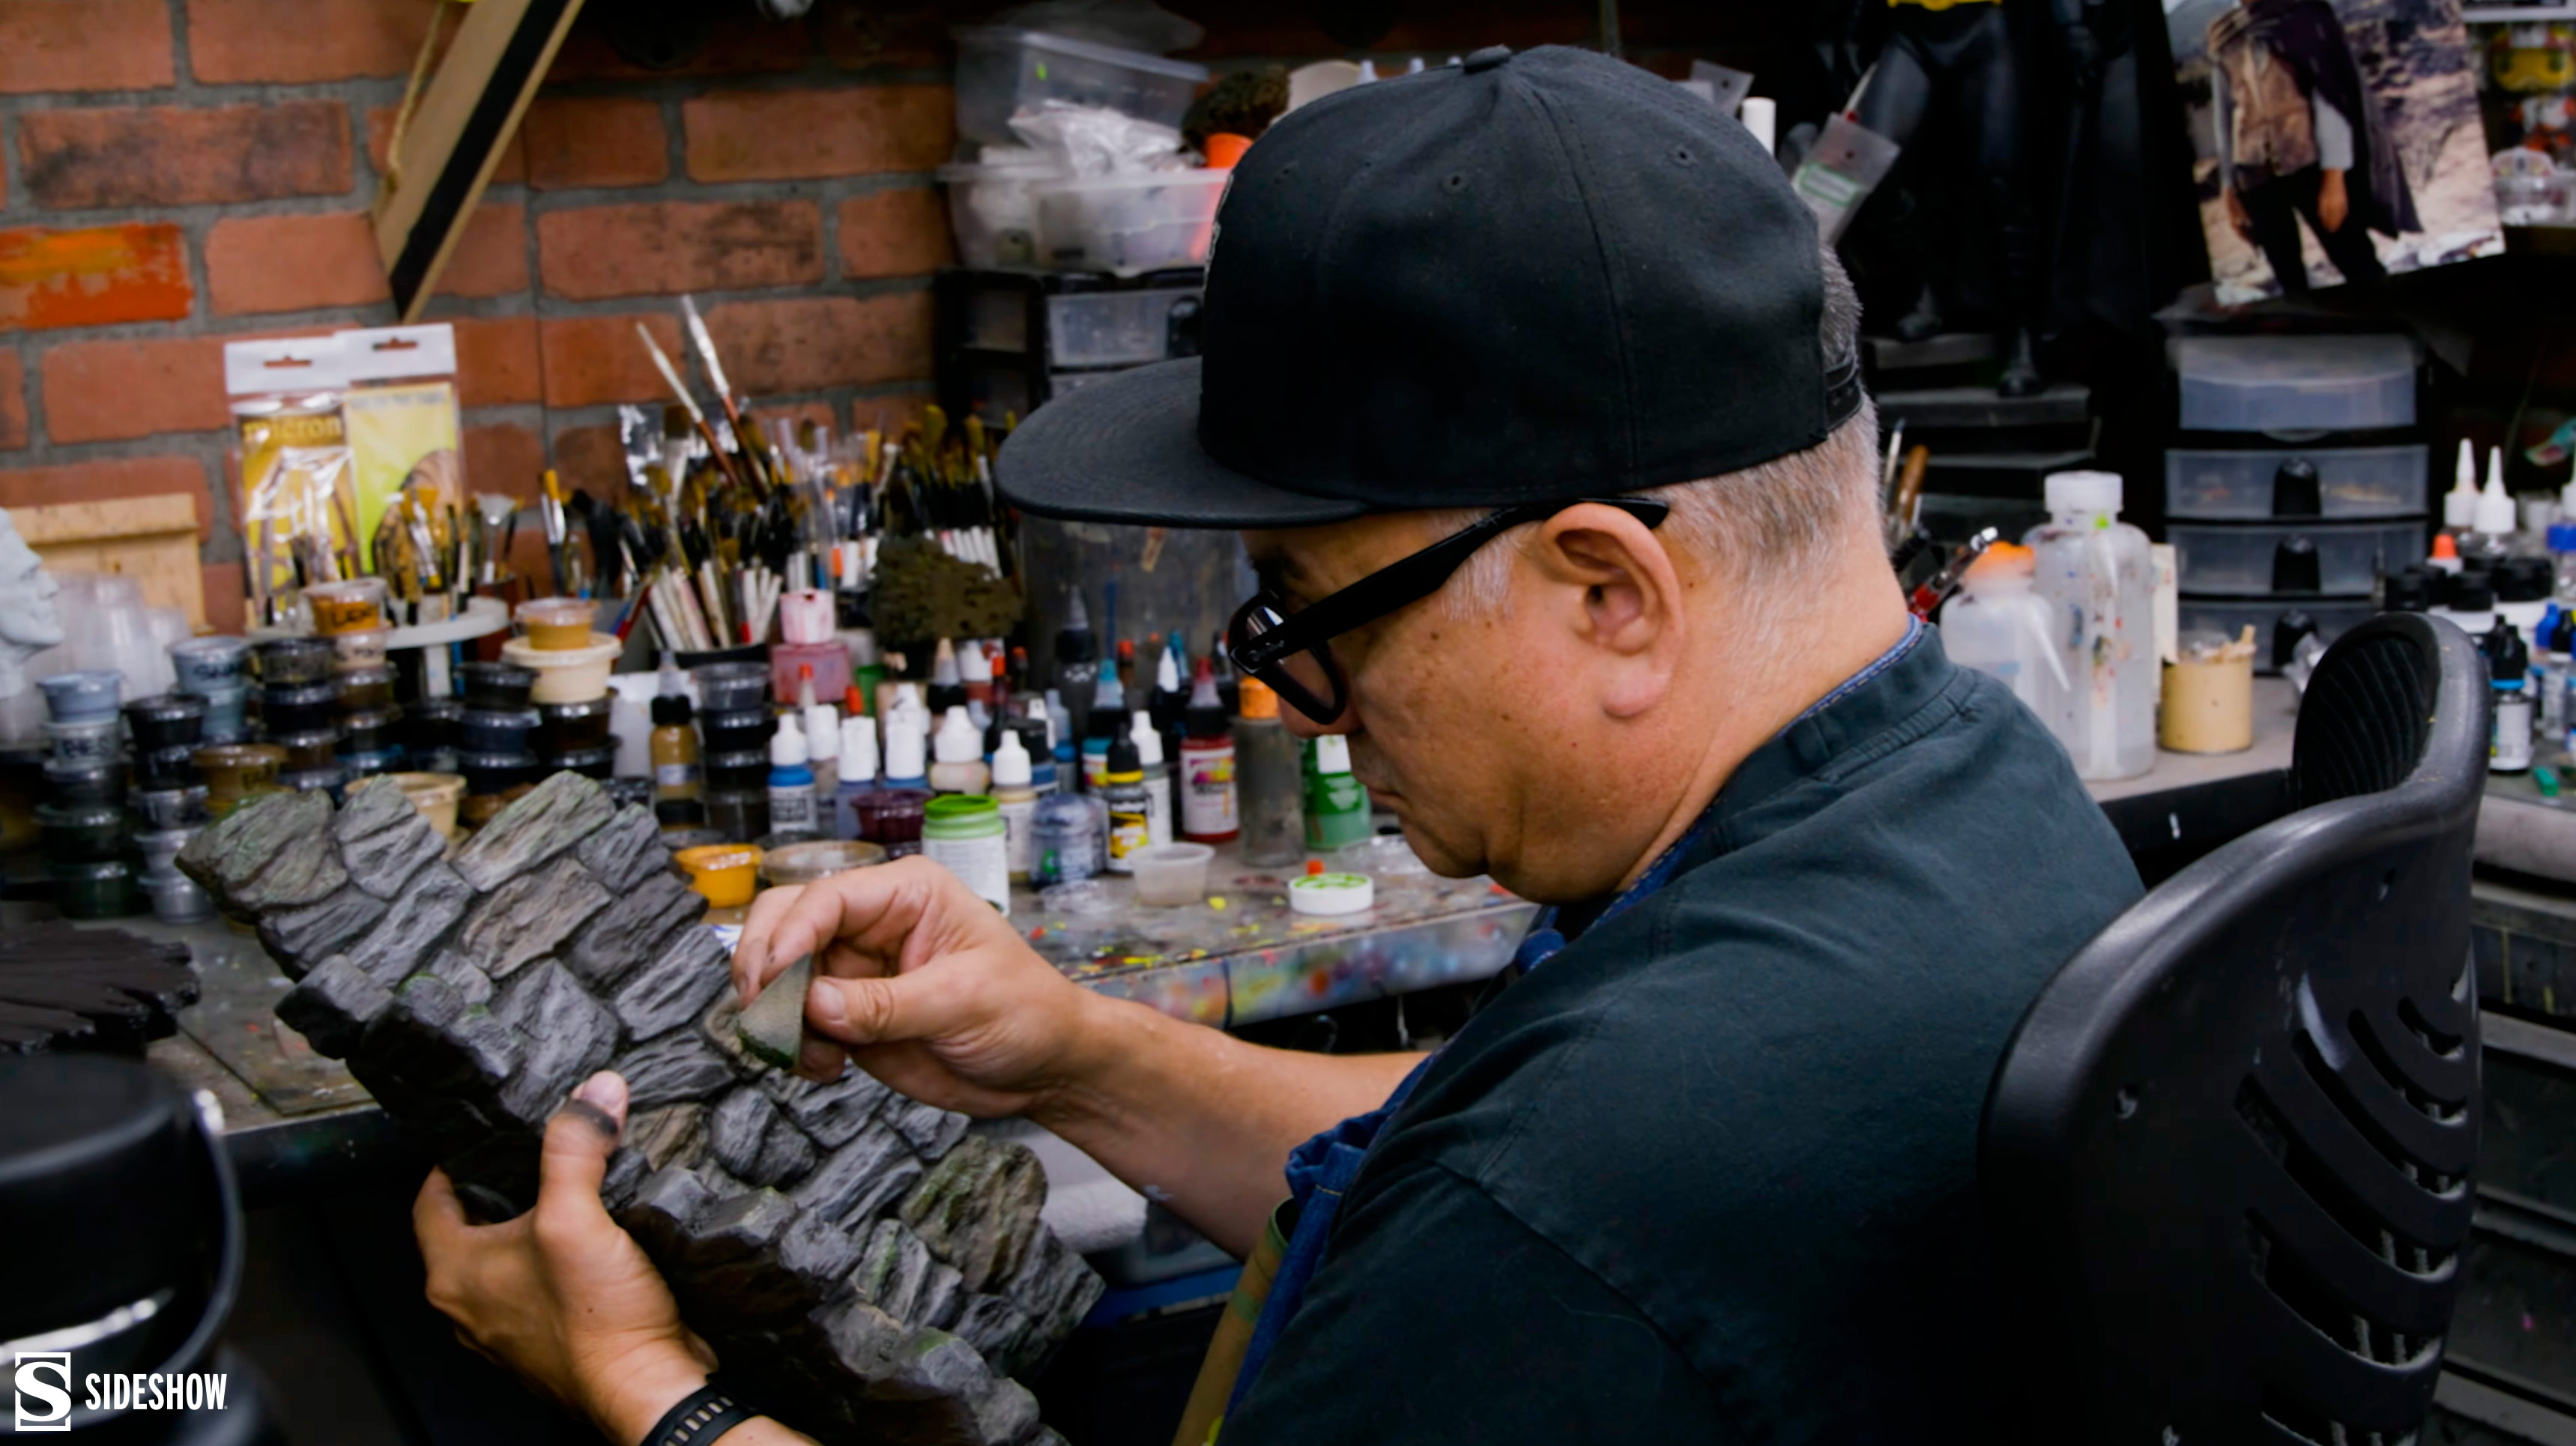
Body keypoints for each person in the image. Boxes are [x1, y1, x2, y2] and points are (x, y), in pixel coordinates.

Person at [414, 46, 2143, 1445]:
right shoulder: (1972, 784)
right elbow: (1451, 1138)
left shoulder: (1573, 1206)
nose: (1302, 699)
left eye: (1311, 617)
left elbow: (1521, 1194)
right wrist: (1074, 1054)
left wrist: (648, 1388)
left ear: (1610, 593)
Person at [2208, 0, 2419, 293]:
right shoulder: (2224, 34)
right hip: (2255, 176)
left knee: (2358, 263)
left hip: (2312, 165)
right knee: (2288, 277)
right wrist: (2229, 186)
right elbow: (2225, 114)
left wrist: (2334, 177)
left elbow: (2330, 99)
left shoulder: (2303, 14)